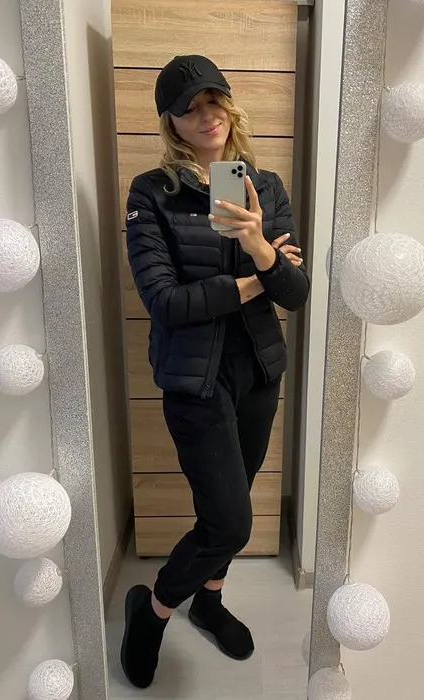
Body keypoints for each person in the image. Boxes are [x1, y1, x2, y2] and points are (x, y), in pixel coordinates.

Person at [120, 54, 310, 689]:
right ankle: (152, 612)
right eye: (189, 109)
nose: (206, 117)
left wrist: (257, 245)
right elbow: (165, 302)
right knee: (229, 521)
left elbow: (296, 293)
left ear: (230, 105)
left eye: (214, 102)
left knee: (232, 505)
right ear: (171, 122)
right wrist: (257, 276)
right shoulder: (152, 193)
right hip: (194, 381)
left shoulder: (263, 186)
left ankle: (209, 600)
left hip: (257, 372)